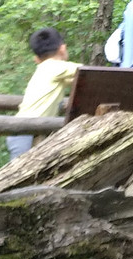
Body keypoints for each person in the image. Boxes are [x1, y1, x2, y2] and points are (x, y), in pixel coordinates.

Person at [6, 27, 79, 161]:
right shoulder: (55, 66)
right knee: (19, 172)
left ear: (37, 58)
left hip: (24, 129)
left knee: (24, 170)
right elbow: (85, 71)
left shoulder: (47, 69)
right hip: (25, 129)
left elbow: (75, 79)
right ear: (62, 48)